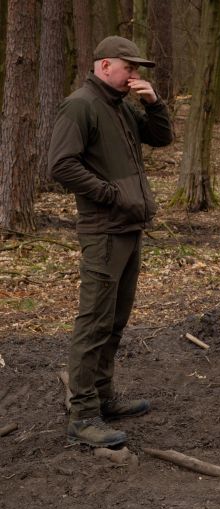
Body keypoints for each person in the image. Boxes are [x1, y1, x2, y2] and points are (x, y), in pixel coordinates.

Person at [48, 36, 173, 447]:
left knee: (115, 320)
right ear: (105, 66)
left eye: (137, 70)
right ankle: (83, 414)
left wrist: (154, 103)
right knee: (95, 321)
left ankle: (103, 397)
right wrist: (109, 194)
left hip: (128, 227)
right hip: (103, 229)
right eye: (129, 68)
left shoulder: (120, 106)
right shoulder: (81, 105)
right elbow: (61, 164)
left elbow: (161, 138)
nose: (134, 75)